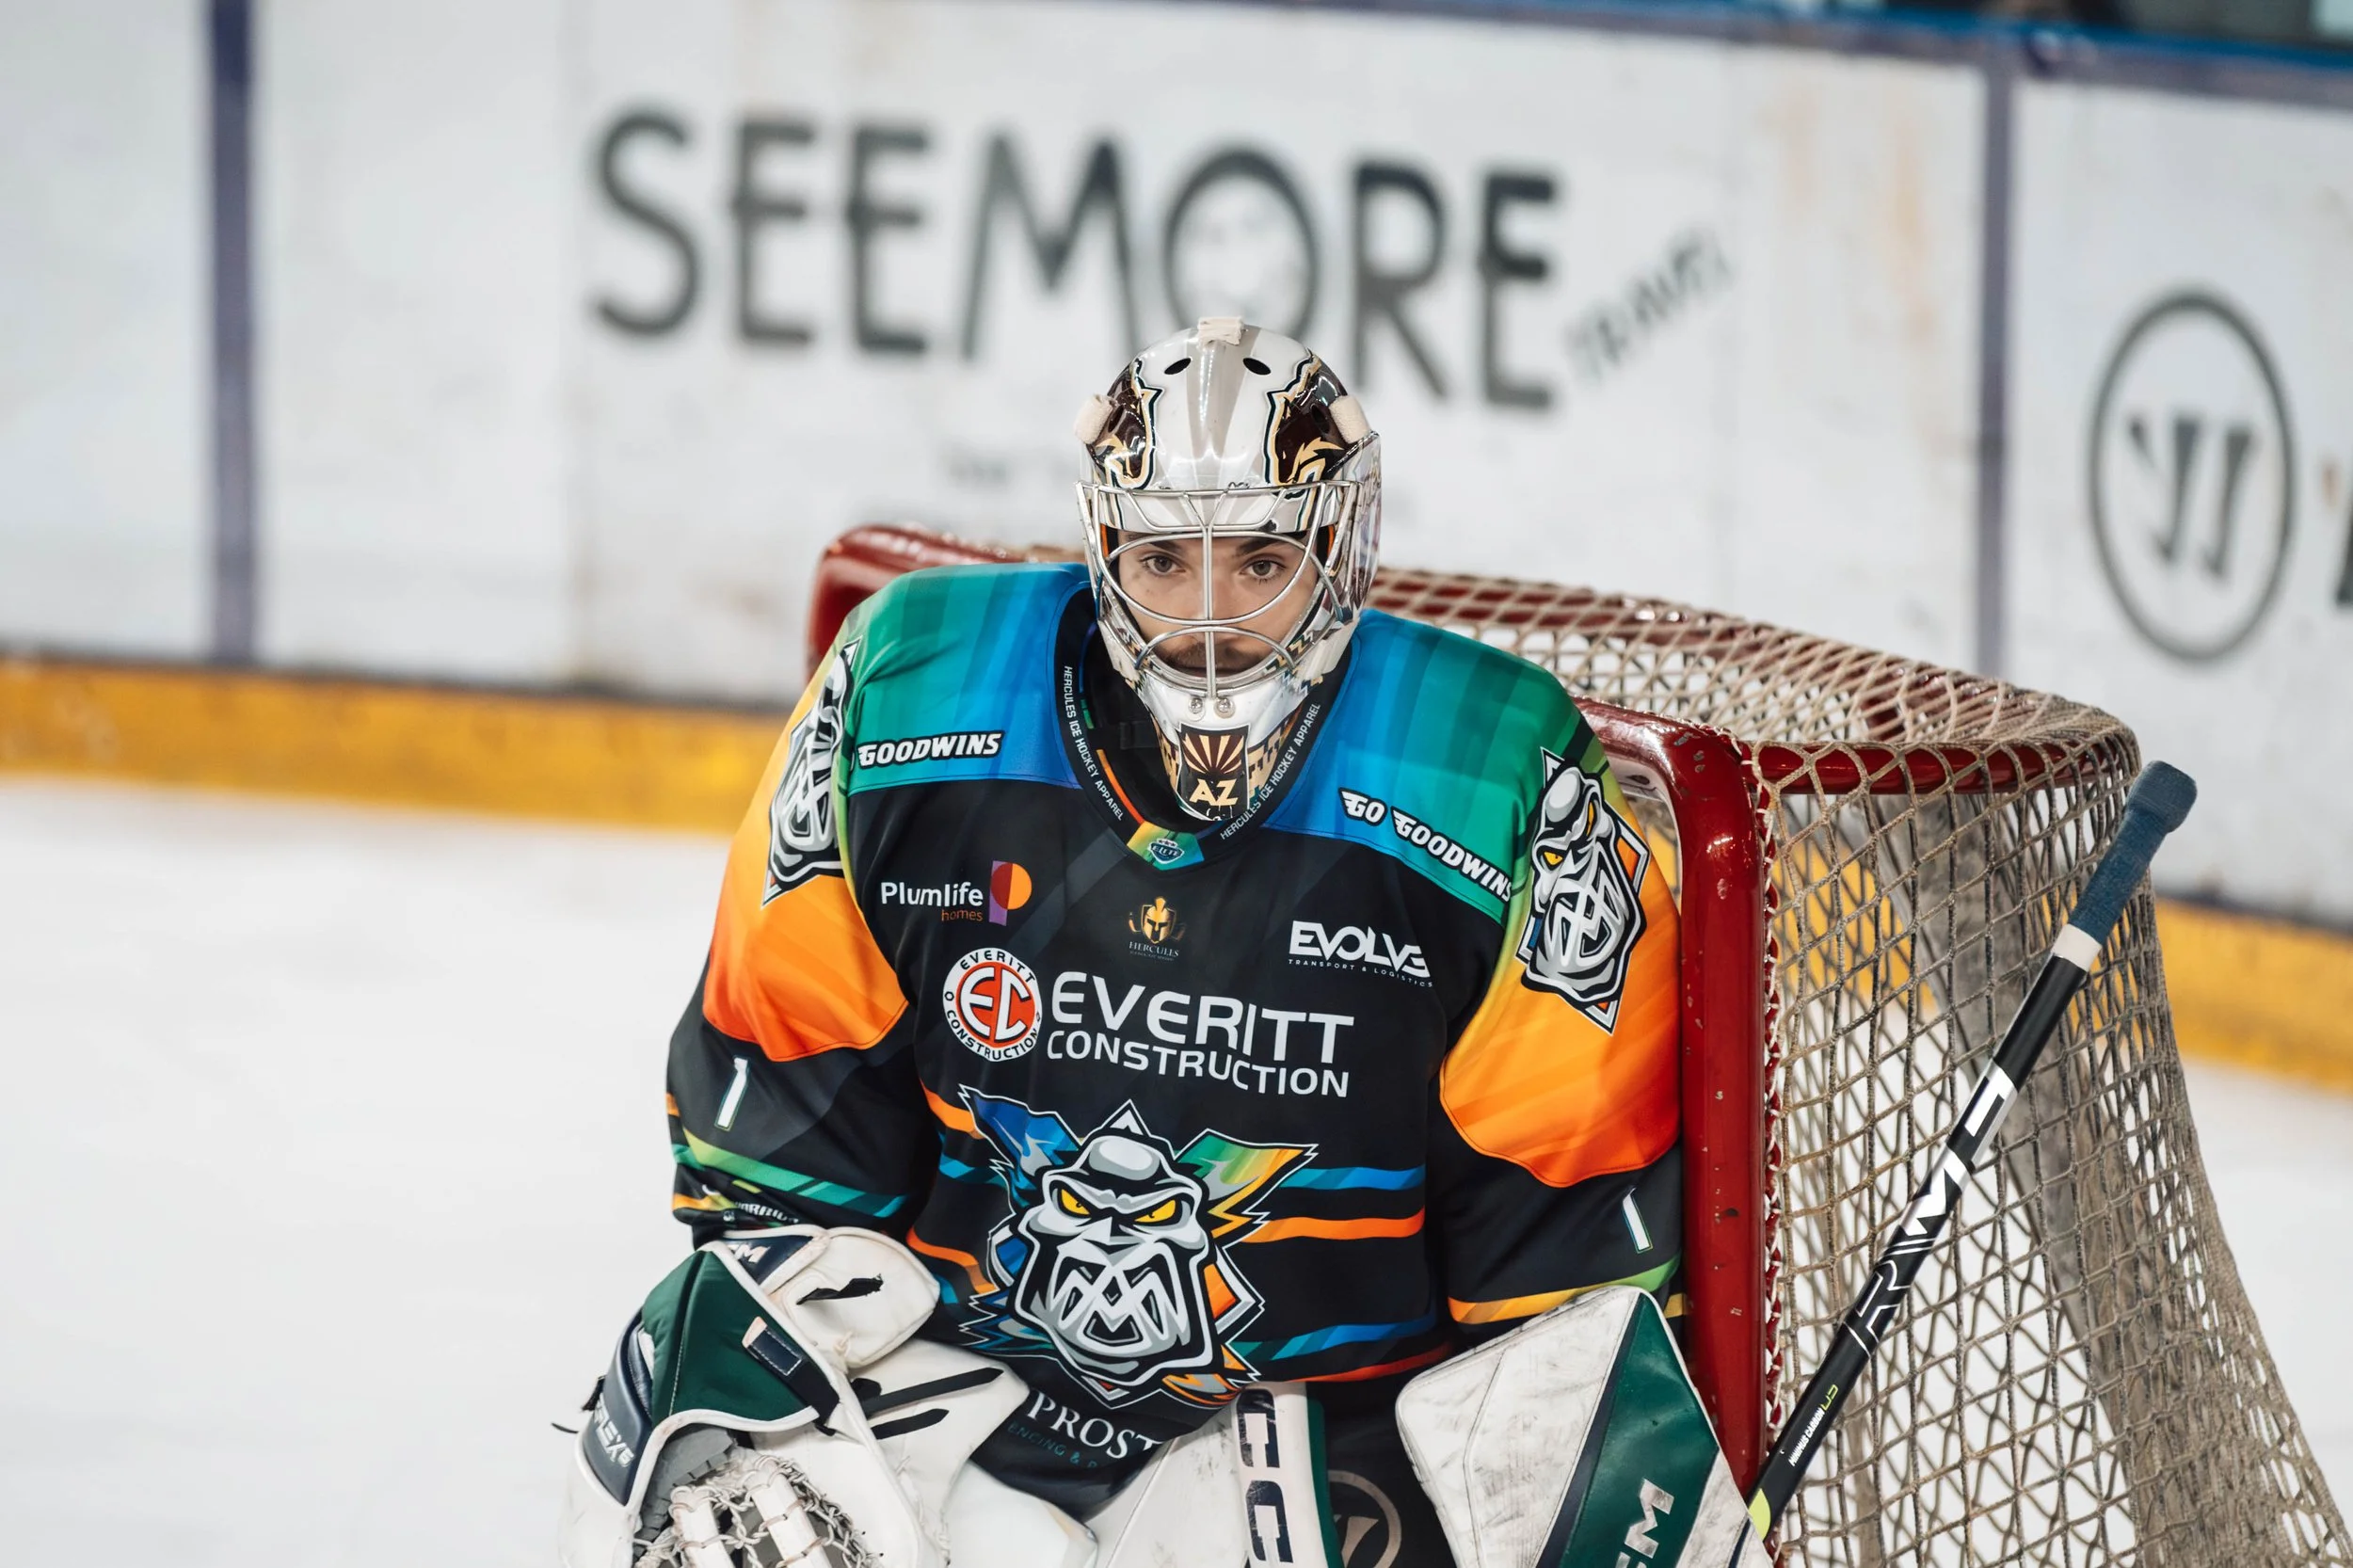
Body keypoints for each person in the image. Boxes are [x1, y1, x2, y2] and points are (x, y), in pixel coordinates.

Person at [617, 317, 1680, 1567]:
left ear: (1342, 549)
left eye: (1263, 557)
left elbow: (1563, 1297)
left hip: (1325, 1455)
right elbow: (780, 1161)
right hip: (955, 1406)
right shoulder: (913, 699)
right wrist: (782, 1411)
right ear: (1103, 543)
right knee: (700, 1479)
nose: (1211, 618)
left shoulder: (1488, 777)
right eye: (1167, 558)